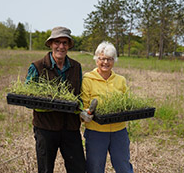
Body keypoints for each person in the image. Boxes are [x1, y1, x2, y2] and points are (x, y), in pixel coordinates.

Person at [25, 26, 85, 173]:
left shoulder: (76, 67)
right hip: (46, 128)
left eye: (65, 43)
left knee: (78, 169)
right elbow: (27, 96)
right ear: (51, 44)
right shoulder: (37, 67)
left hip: (71, 128)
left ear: (69, 46)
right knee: (45, 170)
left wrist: (83, 110)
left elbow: (80, 94)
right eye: (57, 42)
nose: (61, 46)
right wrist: (48, 104)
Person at [80, 41, 134, 173]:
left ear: (114, 60)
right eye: (102, 58)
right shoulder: (88, 79)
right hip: (96, 132)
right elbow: (85, 104)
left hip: (119, 131)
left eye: (109, 59)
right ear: (96, 59)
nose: (105, 62)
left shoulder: (120, 80)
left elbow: (126, 102)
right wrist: (85, 114)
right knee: (95, 168)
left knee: (123, 166)